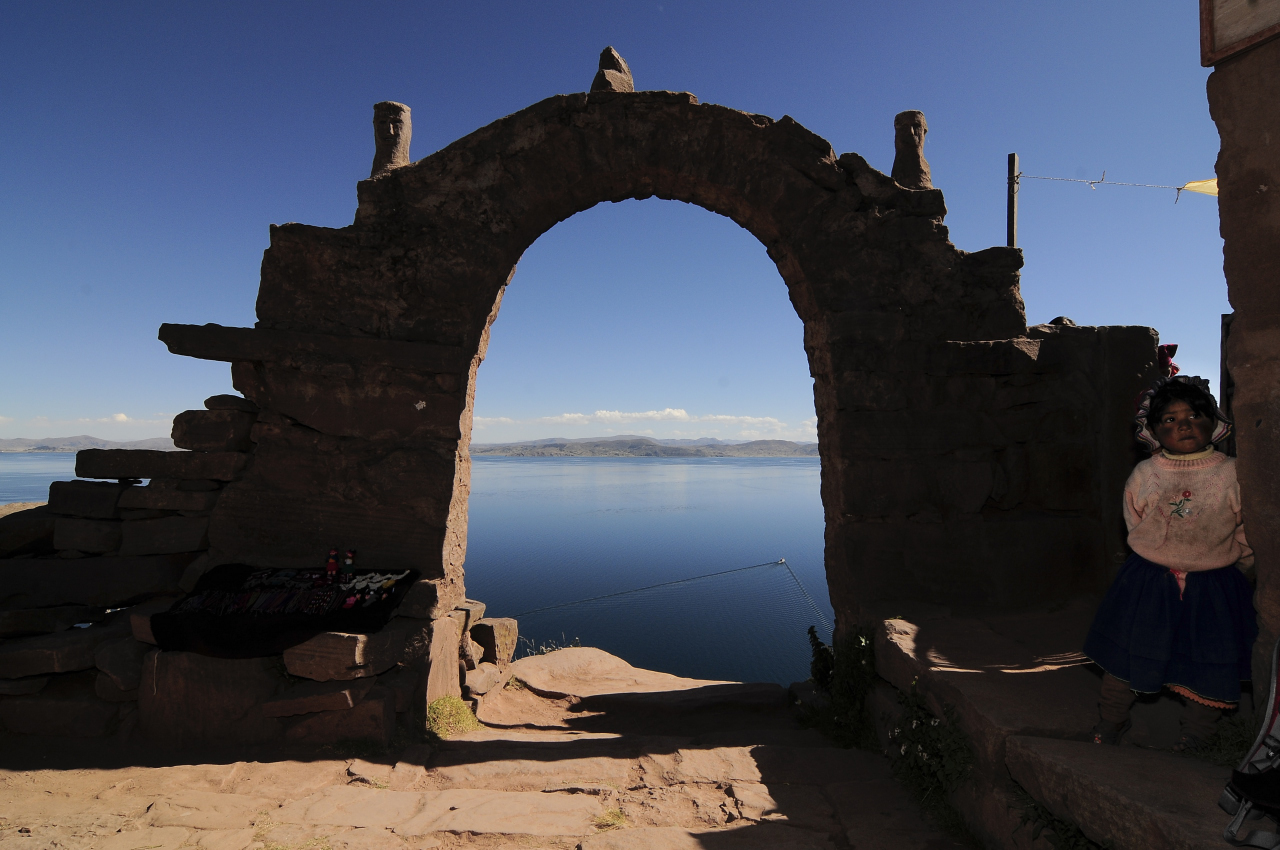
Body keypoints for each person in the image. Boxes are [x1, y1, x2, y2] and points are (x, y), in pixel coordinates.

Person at [1082, 375, 1256, 749]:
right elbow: (1134, 519)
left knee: (1209, 656)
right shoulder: (1146, 474)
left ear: (1215, 422)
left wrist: (1241, 564)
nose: (1184, 425)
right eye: (1170, 420)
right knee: (1128, 651)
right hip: (1148, 581)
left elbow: (1245, 526)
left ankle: (1196, 733)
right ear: (1153, 431)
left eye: (1194, 416)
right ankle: (1112, 719)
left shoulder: (1232, 473)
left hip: (1214, 583)